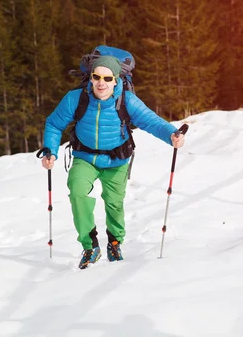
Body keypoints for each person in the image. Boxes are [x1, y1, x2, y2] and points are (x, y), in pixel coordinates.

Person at [40, 55, 185, 269]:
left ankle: (115, 242)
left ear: (116, 80)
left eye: (107, 79)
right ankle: (90, 246)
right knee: (77, 191)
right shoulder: (76, 98)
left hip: (117, 159)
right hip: (85, 158)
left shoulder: (127, 101)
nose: (101, 82)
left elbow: (151, 121)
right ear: (90, 78)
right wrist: (50, 151)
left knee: (114, 203)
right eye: (96, 77)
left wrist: (172, 134)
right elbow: (53, 124)